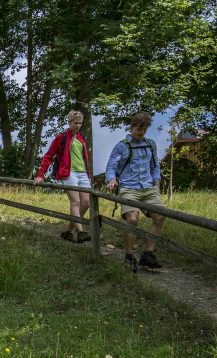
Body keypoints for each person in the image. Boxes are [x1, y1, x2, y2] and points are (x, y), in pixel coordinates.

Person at [104, 111, 165, 272]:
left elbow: (155, 166)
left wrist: (156, 185)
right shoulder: (122, 146)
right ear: (132, 128)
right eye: (138, 129)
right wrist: (111, 180)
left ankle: (148, 254)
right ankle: (129, 256)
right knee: (132, 219)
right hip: (128, 188)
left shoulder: (150, 144)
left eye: (144, 130)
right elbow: (111, 166)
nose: (141, 133)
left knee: (160, 217)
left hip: (148, 188)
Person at [34, 110, 92, 243]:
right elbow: (48, 156)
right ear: (69, 122)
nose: (78, 125)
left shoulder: (81, 138)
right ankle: (81, 232)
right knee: (75, 202)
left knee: (86, 203)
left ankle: (67, 232)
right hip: (68, 173)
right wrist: (40, 175)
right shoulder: (62, 137)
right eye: (75, 123)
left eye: (80, 123)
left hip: (83, 173)